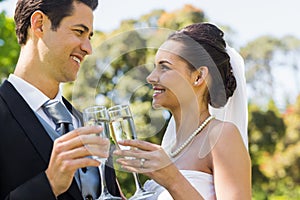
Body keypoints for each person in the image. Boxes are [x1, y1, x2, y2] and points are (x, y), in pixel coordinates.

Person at [113, 23, 252, 199]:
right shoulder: (169, 148)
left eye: (164, 67)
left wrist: (173, 180)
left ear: (198, 76)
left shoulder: (221, 136)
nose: (151, 77)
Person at [0, 0, 121, 199]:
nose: (88, 48)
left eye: (89, 36)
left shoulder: (87, 124)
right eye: (79, 32)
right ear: (39, 24)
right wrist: (50, 183)